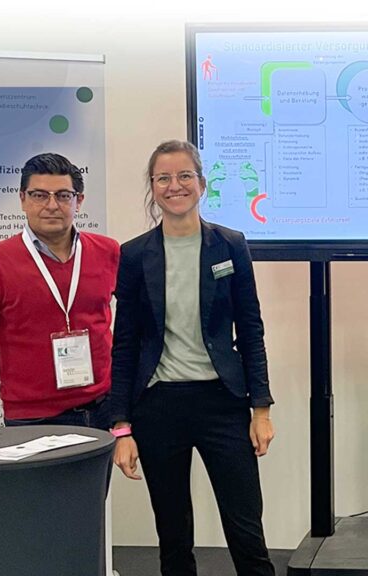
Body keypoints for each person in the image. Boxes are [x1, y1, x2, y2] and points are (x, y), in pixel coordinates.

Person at [110, 140, 275, 576]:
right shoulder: (134, 255)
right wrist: (121, 426)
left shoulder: (230, 245)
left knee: (246, 530)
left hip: (223, 402)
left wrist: (260, 409)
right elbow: (124, 344)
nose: (175, 185)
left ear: (202, 183)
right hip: (159, 405)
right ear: (152, 186)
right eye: (163, 177)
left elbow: (251, 330)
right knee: (173, 535)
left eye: (185, 175)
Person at [0, 152, 120, 431]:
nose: (52, 205)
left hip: (103, 409)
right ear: (23, 199)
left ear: (79, 201)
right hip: (33, 420)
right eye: (39, 195)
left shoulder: (108, 252)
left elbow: (135, 330)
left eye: (63, 195)